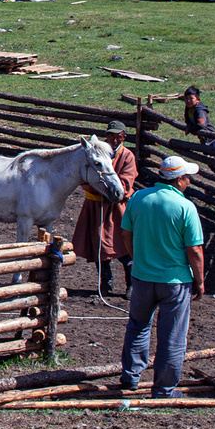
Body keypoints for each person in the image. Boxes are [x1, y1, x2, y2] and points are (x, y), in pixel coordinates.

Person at [115, 155, 204, 397]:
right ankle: (164, 389)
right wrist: (200, 280)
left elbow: (125, 235)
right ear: (180, 180)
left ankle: (130, 376)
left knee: (138, 325)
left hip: (142, 277)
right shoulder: (185, 207)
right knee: (172, 335)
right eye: (187, 178)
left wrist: (139, 260)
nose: (188, 182)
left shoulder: (139, 199)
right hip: (175, 281)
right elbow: (194, 249)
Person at [71, 119, 139, 297]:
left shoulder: (127, 157)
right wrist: (95, 187)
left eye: (117, 136)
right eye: (110, 135)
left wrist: (106, 189)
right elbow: (86, 177)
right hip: (95, 206)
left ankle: (131, 283)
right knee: (99, 243)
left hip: (116, 208)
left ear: (124, 137)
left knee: (124, 244)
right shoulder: (98, 152)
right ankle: (106, 282)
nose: (113, 140)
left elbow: (125, 183)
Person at [182, 86, 215, 169]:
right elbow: (188, 120)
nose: (188, 101)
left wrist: (191, 129)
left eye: (191, 99)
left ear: (198, 99)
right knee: (212, 164)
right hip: (203, 139)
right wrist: (189, 126)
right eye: (186, 99)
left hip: (211, 139)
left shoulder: (199, 110)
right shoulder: (188, 108)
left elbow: (201, 125)